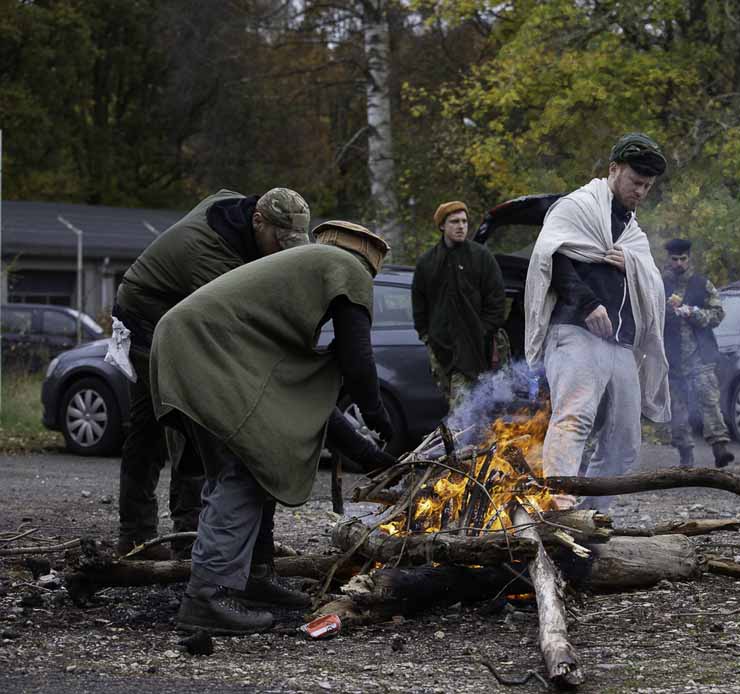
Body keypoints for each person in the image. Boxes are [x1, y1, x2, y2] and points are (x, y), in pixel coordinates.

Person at [151, 220, 396, 634]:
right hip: (203, 351)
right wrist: (377, 415)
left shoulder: (296, 279)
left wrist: (369, 455)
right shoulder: (347, 267)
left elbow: (300, 403)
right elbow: (358, 360)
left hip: (189, 345)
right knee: (242, 470)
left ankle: (252, 579)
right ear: (370, 259)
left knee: (262, 459)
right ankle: (205, 599)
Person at [112, 188, 311, 560]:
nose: (284, 251)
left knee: (193, 424)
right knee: (172, 426)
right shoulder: (207, 255)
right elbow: (232, 327)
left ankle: (189, 534)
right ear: (258, 222)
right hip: (145, 320)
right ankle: (143, 537)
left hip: (182, 314)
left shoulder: (241, 211)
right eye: (279, 241)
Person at [525, 132, 671, 511]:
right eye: (635, 182)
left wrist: (634, 265)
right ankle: (559, 508)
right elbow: (551, 257)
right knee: (574, 420)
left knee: (625, 441)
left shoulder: (631, 230)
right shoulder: (576, 207)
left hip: (619, 343)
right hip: (575, 331)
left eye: (647, 186)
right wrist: (588, 303)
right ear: (613, 169)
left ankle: (592, 518)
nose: (640, 191)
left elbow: (650, 279)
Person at [411, 201, 508, 411]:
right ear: (442, 226)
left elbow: (497, 300)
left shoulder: (481, 257)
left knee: (470, 409)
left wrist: (483, 331)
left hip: (478, 348)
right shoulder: (427, 263)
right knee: (457, 404)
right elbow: (419, 305)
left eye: (464, 221)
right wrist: (428, 337)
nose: (461, 226)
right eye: (454, 221)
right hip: (442, 348)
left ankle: (469, 442)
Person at [661, 238, 734, 468]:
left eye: (683, 259)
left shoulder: (702, 284)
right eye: (675, 259)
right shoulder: (659, 285)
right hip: (671, 358)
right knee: (677, 411)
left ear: (689, 258)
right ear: (669, 260)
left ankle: (720, 449)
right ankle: (686, 457)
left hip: (700, 356)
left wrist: (694, 313)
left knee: (709, 403)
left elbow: (718, 314)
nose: (679, 263)